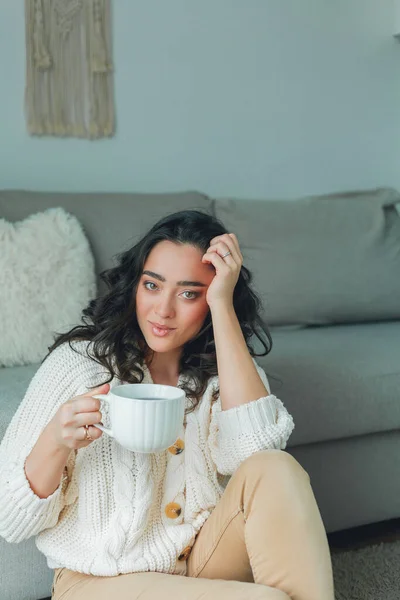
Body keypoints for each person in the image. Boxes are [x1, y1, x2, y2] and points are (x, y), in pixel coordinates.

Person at [0, 210, 335, 600]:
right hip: (97, 583)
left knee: (277, 467)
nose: (163, 310)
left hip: (200, 566)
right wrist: (55, 441)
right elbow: (11, 519)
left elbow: (256, 455)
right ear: (134, 286)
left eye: (190, 293)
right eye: (152, 285)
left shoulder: (223, 370)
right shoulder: (78, 364)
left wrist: (222, 307)